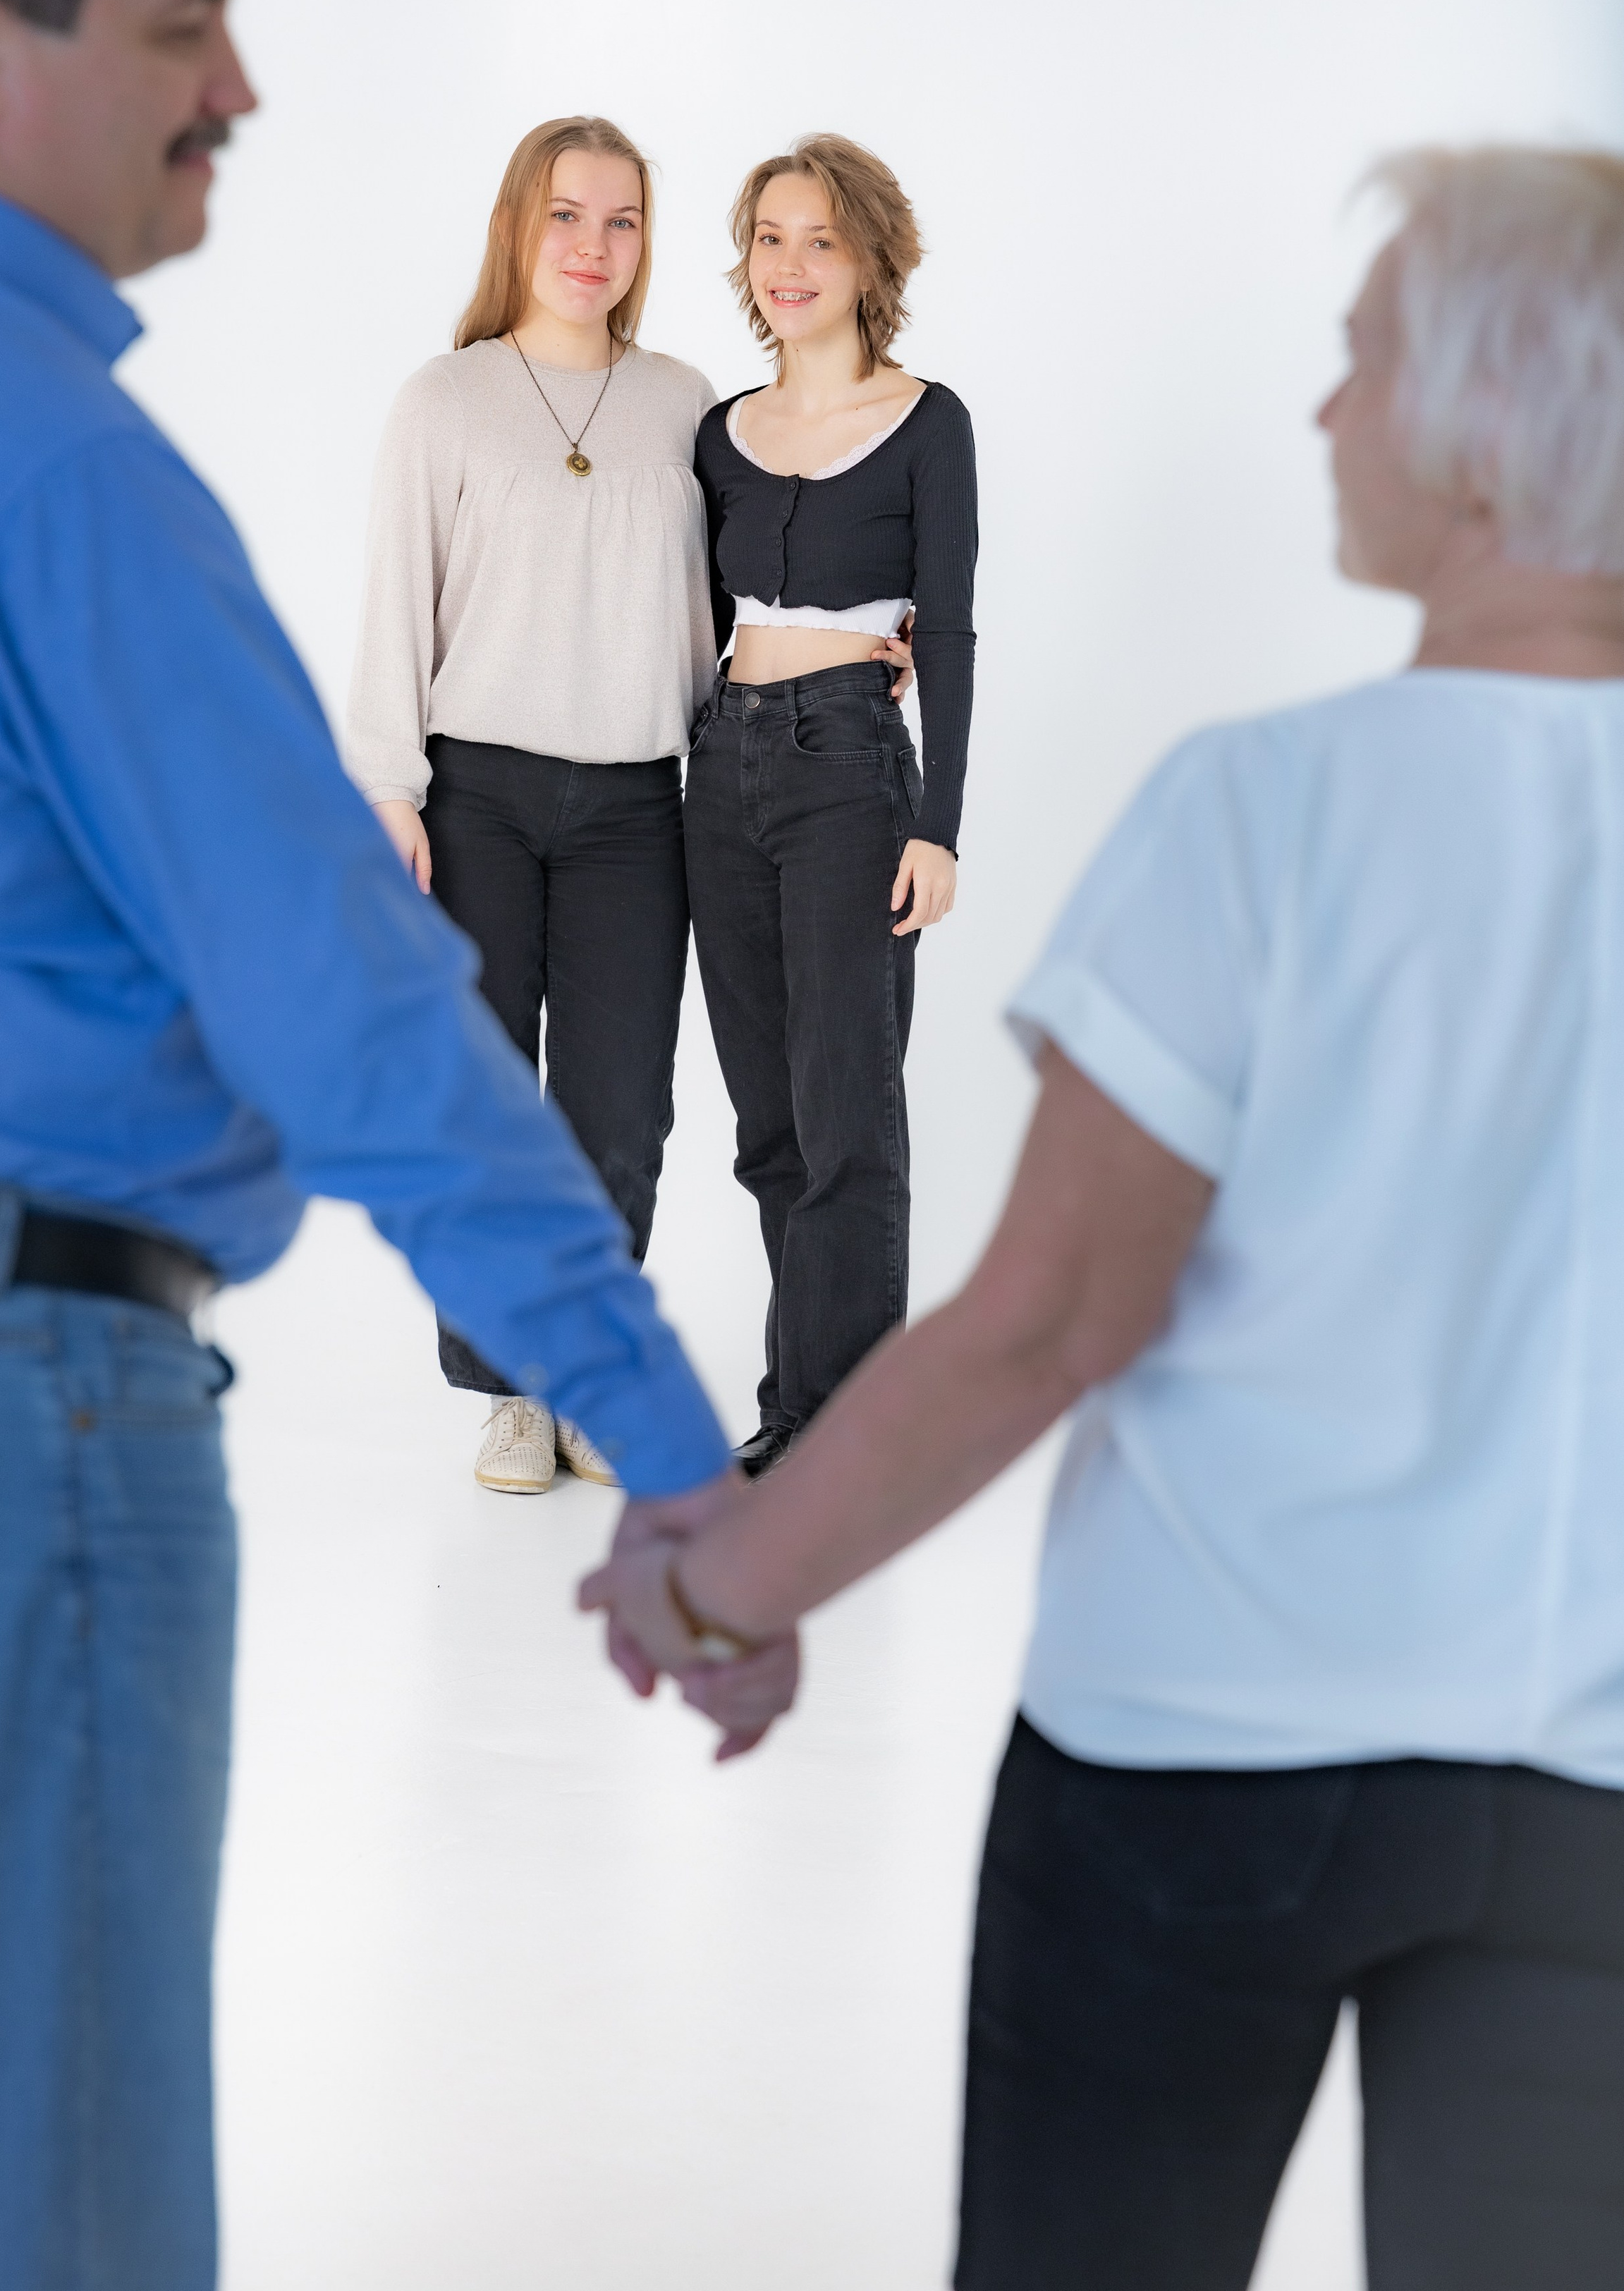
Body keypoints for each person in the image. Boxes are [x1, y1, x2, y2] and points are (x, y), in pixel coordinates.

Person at [0, 0, 792, 2291]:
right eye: (188, 19)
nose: (241, 89)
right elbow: (352, 1010)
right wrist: (672, 1448)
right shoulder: (48, 468)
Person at [585, 146, 1624, 2288]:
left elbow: (1051, 1316)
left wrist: (726, 1583)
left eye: (1363, 360)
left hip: (1203, 1760)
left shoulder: (1268, 810)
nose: (1322, 409)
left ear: (1490, 429)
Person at [345, 118, 714, 1496]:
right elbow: (394, 607)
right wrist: (388, 790)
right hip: (475, 801)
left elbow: (731, 604)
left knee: (620, 1114)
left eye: (621, 221)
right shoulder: (443, 401)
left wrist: (858, 642)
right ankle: (508, 1390)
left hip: (638, 805)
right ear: (516, 227)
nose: (592, 246)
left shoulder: (684, 404)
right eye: (566, 215)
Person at [684, 134, 977, 1473]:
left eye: (821, 240)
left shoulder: (930, 422)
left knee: (847, 1111)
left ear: (870, 261)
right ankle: (802, 1405)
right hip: (720, 770)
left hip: (851, 775)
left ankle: (839, 1430)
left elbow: (949, 630)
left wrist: (940, 825)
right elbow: (691, 620)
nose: (789, 265)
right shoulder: (719, 435)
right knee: (770, 1126)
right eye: (769, 238)